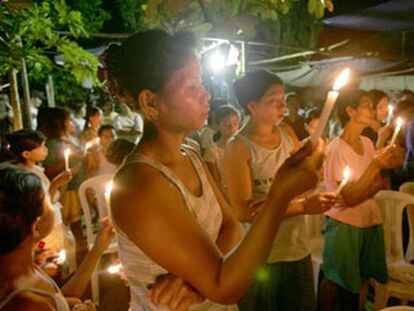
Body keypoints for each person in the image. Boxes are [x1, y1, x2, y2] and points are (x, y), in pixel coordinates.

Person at [104, 30, 326, 311]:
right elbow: (226, 288)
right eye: (192, 87)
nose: (206, 95)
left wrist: (196, 282)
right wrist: (280, 195)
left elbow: (231, 224)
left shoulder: (190, 153)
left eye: (202, 84)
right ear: (150, 102)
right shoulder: (141, 184)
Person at [223, 70, 337, 310]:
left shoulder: (287, 133)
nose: (283, 105)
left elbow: (299, 182)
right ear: (252, 106)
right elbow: (244, 212)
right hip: (262, 255)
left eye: (283, 98)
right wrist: (304, 206)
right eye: (273, 101)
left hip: (296, 247)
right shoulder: (239, 148)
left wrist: (316, 158)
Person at [319, 89, 403, 311]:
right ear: (350, 110)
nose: (372, 110)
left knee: (363, 277)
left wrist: (377, 174)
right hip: (345, 224)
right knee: (339, 281)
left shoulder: (366, 143)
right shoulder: (337, 148)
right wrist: (375, 168)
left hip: (368, 219)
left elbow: (376, 186)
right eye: (366, 104)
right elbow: (351, 196)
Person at [0, 165, 114, 310]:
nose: (54, 205)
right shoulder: (27, 304)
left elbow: (59, 298)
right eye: (49, 201)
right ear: (36, 226)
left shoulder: (22, 267)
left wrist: (98, 248)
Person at [203, 105, 239, 191]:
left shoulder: (242, 147)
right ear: (218, 126)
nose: (232, 128)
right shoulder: (212, 152)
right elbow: (215, 183)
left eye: (235, 123)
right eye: (227, 124)